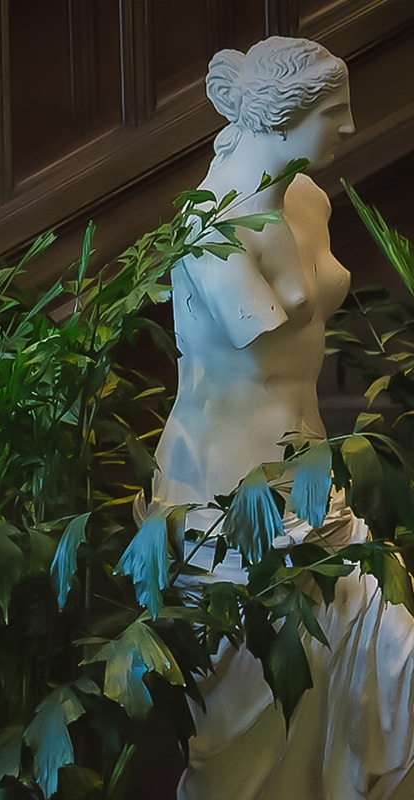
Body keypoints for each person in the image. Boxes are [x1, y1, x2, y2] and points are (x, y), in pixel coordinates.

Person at [155, 36, 414, 799]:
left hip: (317, 498)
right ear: (281, 117)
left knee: (398, 675)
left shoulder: (306, 197)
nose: (350, 128)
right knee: (246, 762)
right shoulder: (213, 230)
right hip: (229, 510)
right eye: (333, 113)